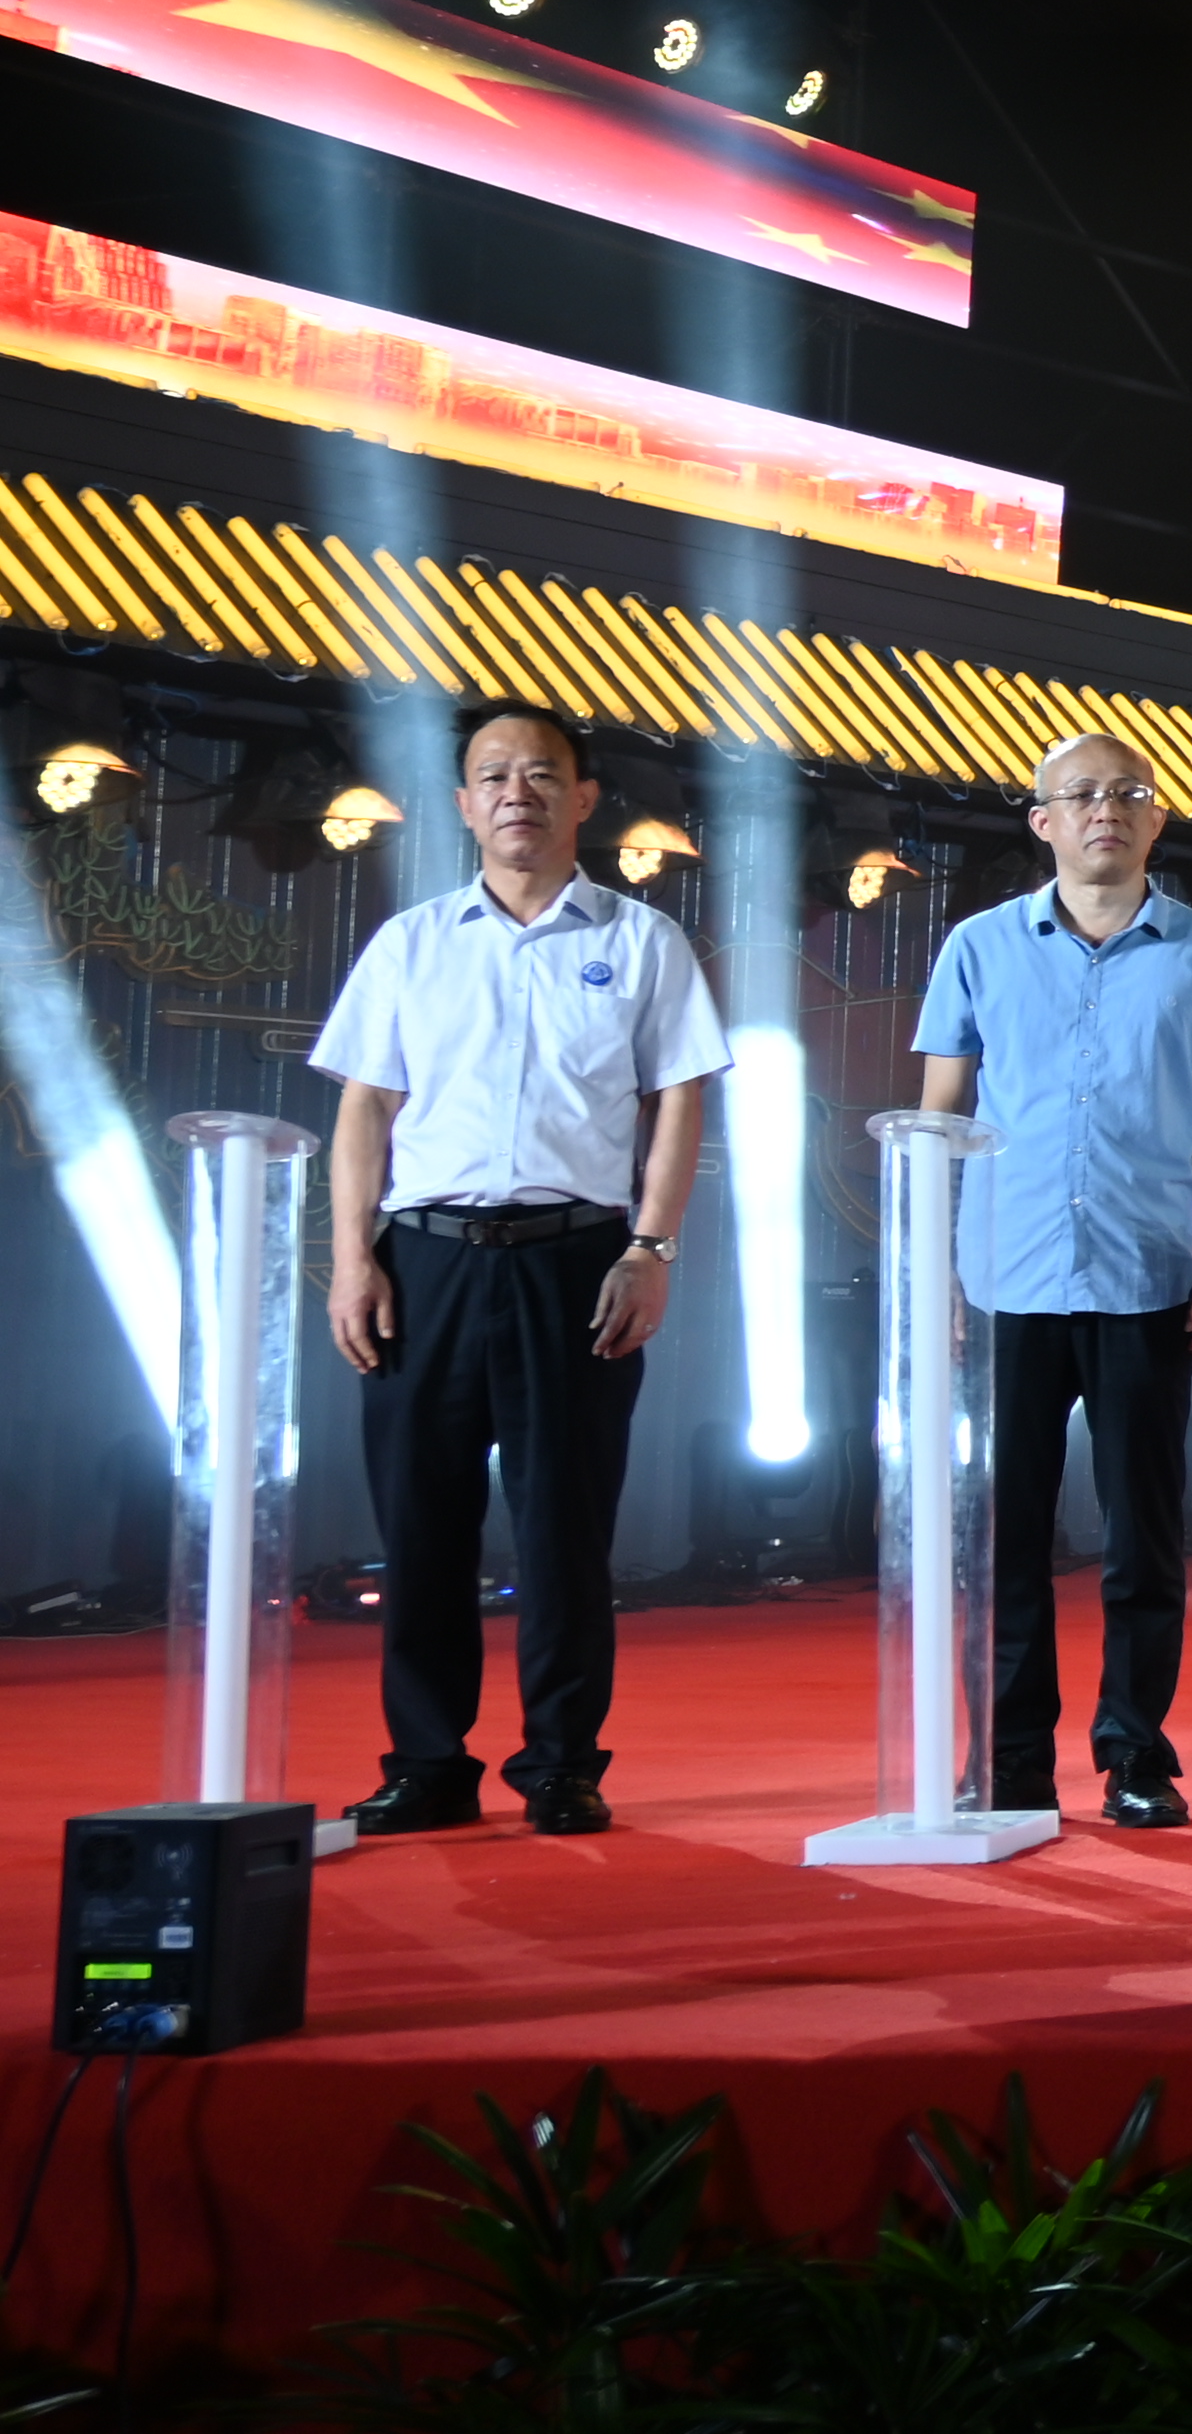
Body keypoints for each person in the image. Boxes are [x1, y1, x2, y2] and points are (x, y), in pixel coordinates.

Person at [310, 699, 728, 1838]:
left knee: (564, 1530)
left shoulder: (640, 940)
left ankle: (560, 1761)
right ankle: (429, 1761)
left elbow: (678, 1098)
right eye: (492, 774)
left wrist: (652, 1245)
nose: (517, 792)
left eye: (541, 773)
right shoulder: (411, 942)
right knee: (422, 1524)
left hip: (577, 1260)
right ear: (462, 802)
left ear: (583, 798)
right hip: (426, 1260)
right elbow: (364, 1107)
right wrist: (353, 1258)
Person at [911, 729, 1192, 1830]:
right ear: (1043, 821)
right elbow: (938, 1116)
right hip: (1010, 1279)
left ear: (1157, 817)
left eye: (1126, 792)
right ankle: (1014, 1757)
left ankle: (1134, 1751)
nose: (1103, 810)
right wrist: (932, 1276)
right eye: (1079, 795)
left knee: (1143, 1533)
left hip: (1147, 1278)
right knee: (1008, 1533)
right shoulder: (978, 947)